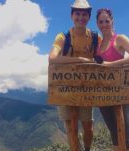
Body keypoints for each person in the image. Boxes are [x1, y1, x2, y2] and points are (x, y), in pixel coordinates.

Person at [48, 0, 101, 151]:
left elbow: (102, 57)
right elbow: (52, 58)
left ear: (88, 17)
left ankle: (87, 149)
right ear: (72, 16)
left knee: (88, 127)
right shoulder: (63, 37)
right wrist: (79, 59)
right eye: (77, 13)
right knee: (71, 128)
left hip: (86, 89)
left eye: (84, 14)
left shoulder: (95, 38)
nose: (81, 17)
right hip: (65, 89)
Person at [95, 8, 129, 151]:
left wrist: (111, 65)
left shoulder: (119, 39)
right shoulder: (98, 44)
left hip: (120, 93)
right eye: (101, 21)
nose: (104, 24)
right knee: (114, 136)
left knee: (126, 138)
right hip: (102, 95)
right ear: (97, 23)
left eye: (107, 21)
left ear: (112, 21)